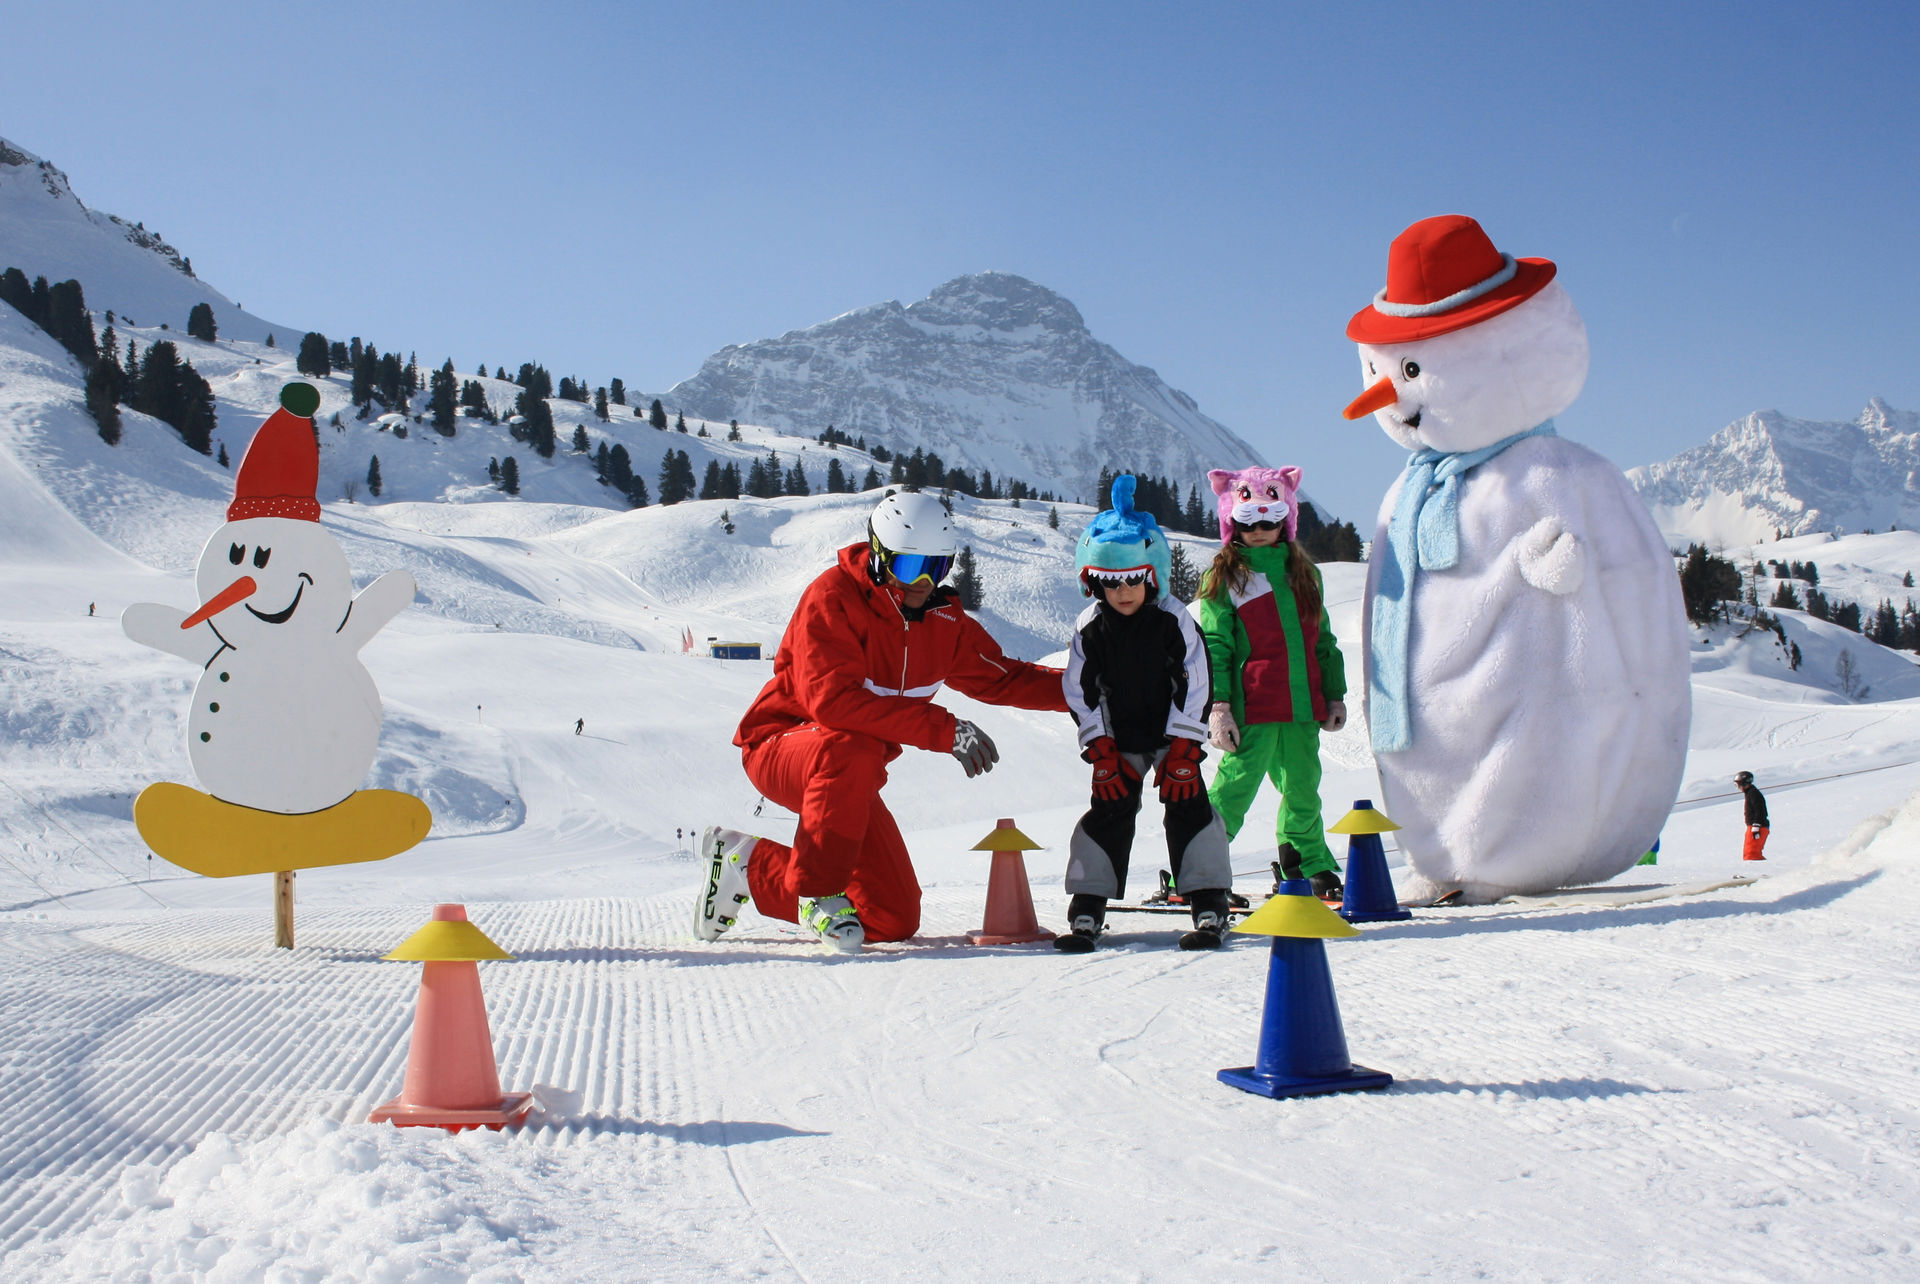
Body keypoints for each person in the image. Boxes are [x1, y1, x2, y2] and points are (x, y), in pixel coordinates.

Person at [695, 491, 1068, 953]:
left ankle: (748, 864)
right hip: (782, 746)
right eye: (911, 568)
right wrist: (943, 729)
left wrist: (1090, 693)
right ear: (878, 556)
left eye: (937, 567)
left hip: (850, 775)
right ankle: (819, 892)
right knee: (851, 746)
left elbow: (1004, 677)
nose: (923, 583)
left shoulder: (943, 622)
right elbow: (833, 703)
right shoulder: (833, 598)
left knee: (890, 916)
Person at [1059, 476, 1231, 952]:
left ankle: (1209, 900)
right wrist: (1099, 746)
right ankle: (1088, 906)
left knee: (1188, 803)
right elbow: (1079, 688)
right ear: (1095, 581)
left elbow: (1196, 680)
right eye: (1112, 583)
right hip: (1120, 739)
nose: (1124, 592)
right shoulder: (1090, 626)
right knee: (1110, 808)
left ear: (1151, 574)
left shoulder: (1173, 619)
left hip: (1170, 737)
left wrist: (1183, 746)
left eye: (1134, 580)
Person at [1197, 466, 1349, 903]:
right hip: (1253, 707)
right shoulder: (1226, 577)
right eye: (1248, 522)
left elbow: (1322, 638)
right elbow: (1215, 646)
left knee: (1303, 788)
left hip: (1302, 705)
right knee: (1233, 790)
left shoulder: (1303, 574)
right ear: (1233, 524)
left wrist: (1333, 694)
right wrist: (1220, 706)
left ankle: (1307, 864)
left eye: (1269, 521)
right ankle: (1199, 868)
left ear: (1286, 521)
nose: (1260, 530)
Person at [1736, 770, 1768, 861]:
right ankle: (1756, 870)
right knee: (1750, 852)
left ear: (1744, 783)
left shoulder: (1753, 793)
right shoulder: (1750, 793)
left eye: (1738, 785)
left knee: (1751, 853)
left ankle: (1755, 870)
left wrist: (1756, 825)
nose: (1738, 788)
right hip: (1754, 826)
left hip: (1758, 827)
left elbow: (1760, 810)